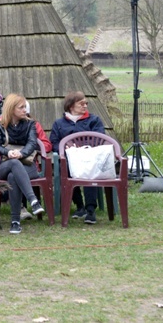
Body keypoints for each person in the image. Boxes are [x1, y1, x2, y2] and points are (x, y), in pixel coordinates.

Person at [0, 101, 52, 221]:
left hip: (27, 165)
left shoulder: (32, 124)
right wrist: (8, 151)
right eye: (21, 108)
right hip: (4, 164)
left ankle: (15, 220)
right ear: (12, 109)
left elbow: (46, 145)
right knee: (13, 165)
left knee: (13, 175)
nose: (25, 111)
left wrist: (25, 150)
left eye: (25, 108)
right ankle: (32, 201)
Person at [50, 91, 106, 224]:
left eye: (86, 103)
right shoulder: (59, 124)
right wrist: (66, 149)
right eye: (81, 103)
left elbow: (99, 138)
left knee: (89, 170)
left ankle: (90, 210)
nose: (85, 106)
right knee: (65, 169)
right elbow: (54, 142)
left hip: (89, 157)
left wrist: (83, 149)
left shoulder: (94, 120)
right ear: (71, 106)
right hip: (69, 158)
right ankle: (79, 206)